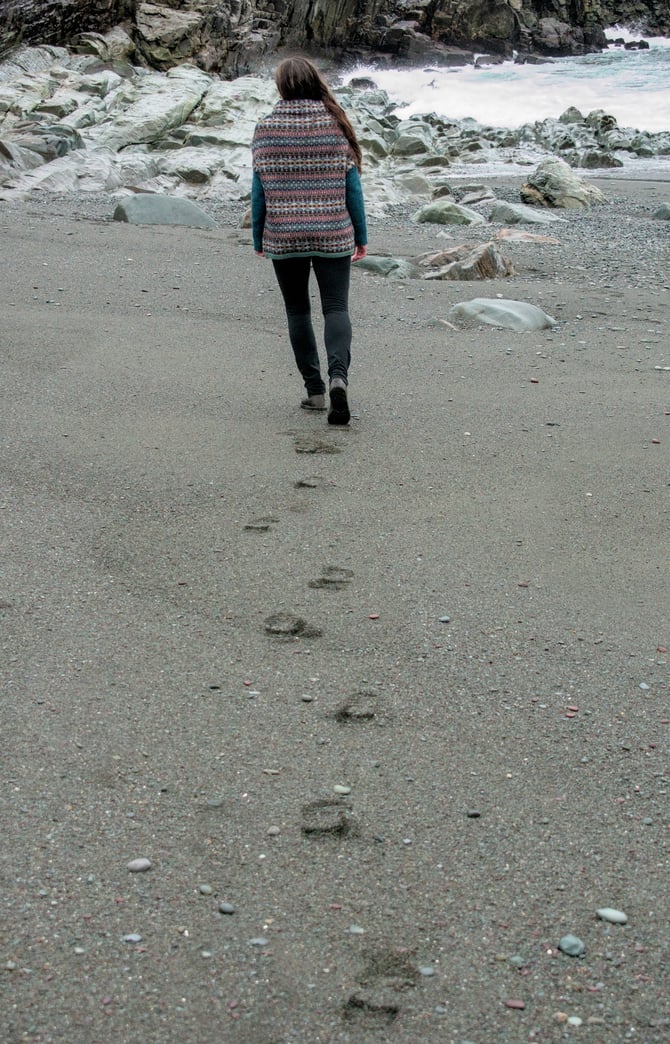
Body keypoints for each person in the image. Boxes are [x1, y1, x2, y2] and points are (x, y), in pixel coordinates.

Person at [251, 56, 368, 425]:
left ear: (282, 87)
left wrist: (258, 236)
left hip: (284, 235)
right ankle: (338, 379)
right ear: (314, 81)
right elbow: (353, 189)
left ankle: (315, 391)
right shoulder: (335, 125)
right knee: (336, 308)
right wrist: (361, 236)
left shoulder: (265, 129)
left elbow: (258, 192)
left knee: (298, 312)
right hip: (333, 232)